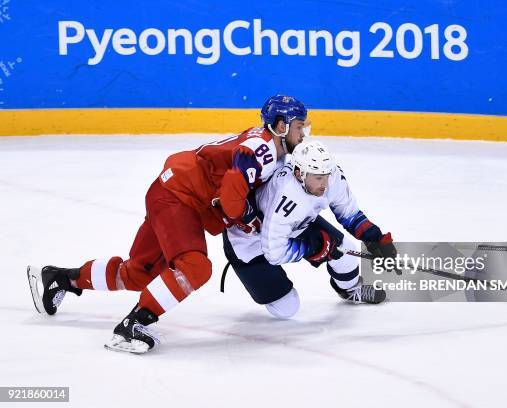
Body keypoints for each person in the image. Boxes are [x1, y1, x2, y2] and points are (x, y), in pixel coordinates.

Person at [27, 95, 309, 354]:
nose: (304, 132)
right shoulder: (264, 149)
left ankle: (59, 278)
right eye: (299, 126)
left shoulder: (270, 146)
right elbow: (232, 197)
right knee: (195, 268)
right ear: (281, 126)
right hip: (178, 197)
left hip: (173, 191)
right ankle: (133, 325)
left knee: (138, 274)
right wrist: (250, 220)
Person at [222, 140, 396, 319]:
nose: (325, 184)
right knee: (287, 308)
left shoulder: (331, 175)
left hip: (294, 224)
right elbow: (274, 252)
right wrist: (314, 248)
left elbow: (349, 213)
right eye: (319, 178)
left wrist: (374, 238)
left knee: (347, 251)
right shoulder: (285, 196)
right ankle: (250, 272)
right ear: (299, 174)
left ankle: (350, 290)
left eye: (326, 175)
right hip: (249, 240)